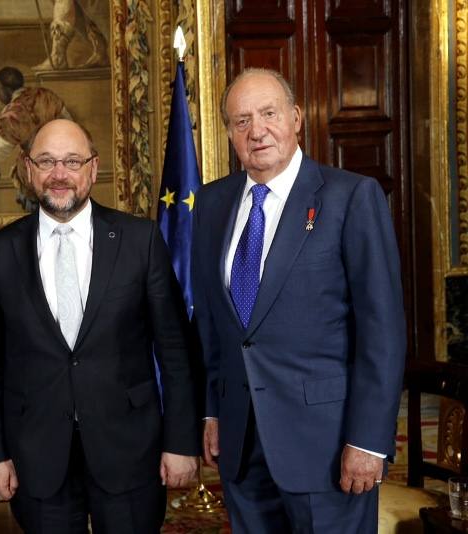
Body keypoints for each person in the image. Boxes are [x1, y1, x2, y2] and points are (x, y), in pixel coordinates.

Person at [190, 68, 405, 532]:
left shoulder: (350, 197)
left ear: (296, 118)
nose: (257, 130)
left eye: (268, 114)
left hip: (327, 449)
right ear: (229, 133)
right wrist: (211, 410)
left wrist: (369, 442)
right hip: (241, 446)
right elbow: (209, 324)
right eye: (241, 121)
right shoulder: (210, 205)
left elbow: (381, 331)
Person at [0, 118, 200, 533]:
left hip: (129, 450)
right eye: (47, 161)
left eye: (72, 161)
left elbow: (175, 350)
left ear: (93, 169)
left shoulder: (140, 241)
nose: (60, 174)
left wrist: (181, 443)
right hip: (36, 457)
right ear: (27, 168)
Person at [0, 66, 70, 211]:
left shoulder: (13, 113)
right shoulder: (46, 96)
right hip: (62, 163)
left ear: (4, 89)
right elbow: (69, 123)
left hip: (36, 169)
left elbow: (3, 147)